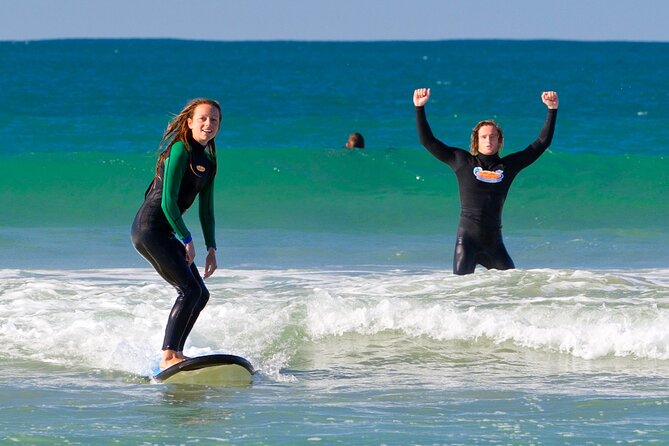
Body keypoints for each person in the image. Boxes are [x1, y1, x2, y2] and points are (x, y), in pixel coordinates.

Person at [413, 88, 558, 275]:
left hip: (494, 243)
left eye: (493, 136)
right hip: (467, 242)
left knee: (512, 288)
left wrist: (552, 110)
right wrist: (419, 108)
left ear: (499, 141)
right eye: (484, 137)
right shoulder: (462, 161)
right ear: (476, 140)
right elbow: (428, 141)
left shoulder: (509, 166)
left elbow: (541, 143)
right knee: (461, 292)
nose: (488, 140)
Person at [131, 98, 221, 369]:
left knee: (200, 294)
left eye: (214, 120)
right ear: (190, 122)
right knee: (189, 289)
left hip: (165, 231)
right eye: (203, 118)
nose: (208, 124)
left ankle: (175, 353)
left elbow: (206, 209)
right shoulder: (180, 149)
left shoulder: (208, 161)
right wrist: (187, 238)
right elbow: (168, 202)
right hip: (149, 229)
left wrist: (211, 248)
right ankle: (169, 355)